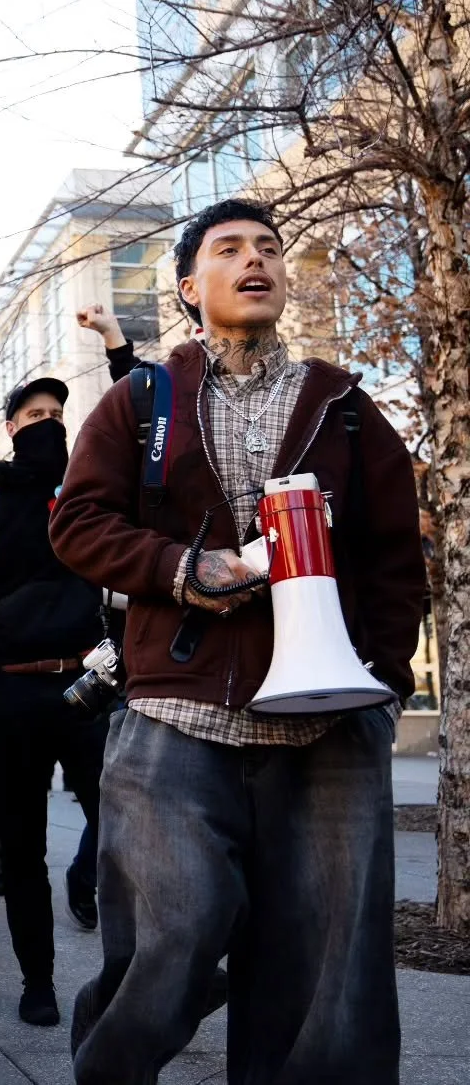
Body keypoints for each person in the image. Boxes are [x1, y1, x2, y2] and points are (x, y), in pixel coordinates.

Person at [51, 199, 424, 1082]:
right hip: (177, 714)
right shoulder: (143, 399)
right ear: (189, 287)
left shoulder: (343, 405)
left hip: (330, 725)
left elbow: (394, 556)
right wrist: (188, 568)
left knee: (330, 974)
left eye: (270, 249)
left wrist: (383, 680)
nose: (256, 260)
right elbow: (77, 524)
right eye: (230, 250)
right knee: (171, 938)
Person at [0, 375, 108, 1027]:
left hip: (88, 686)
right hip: (13, 690)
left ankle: (128, 963)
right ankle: (36, 980)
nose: (49, 422)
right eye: (35, 414)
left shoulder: (89, 488)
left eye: (57, 413)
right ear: (12, 426)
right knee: (21, 847)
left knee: (124, 828)